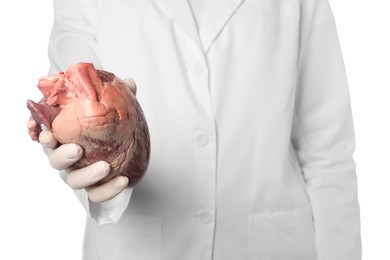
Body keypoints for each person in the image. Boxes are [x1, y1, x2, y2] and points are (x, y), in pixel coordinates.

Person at [36, 0, 362, 259]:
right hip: (137, 247)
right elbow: (68, 98)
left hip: (273, 245)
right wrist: (79, 157)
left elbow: (328, 152)